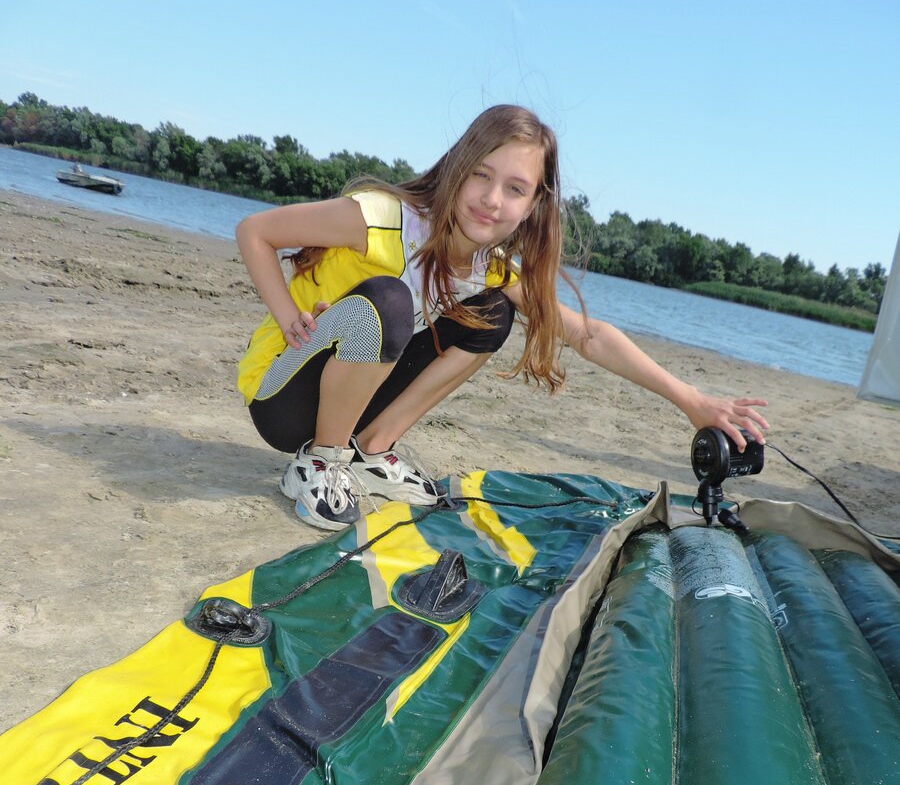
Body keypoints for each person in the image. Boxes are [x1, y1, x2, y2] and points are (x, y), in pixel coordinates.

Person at [236, 105, 768, 530]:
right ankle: (321, 463)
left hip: (351, 394)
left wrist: (691, 401)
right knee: (391, 302)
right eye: (480, 176)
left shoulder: (492, 269)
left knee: (492, 314)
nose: (492, 200)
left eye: (515, 188)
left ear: (534, 203)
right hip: (282, 392)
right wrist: (289, 318)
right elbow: (255, 231)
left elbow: (586, 336)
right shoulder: (382, 217)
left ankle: (371, 450)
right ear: (456, 166)